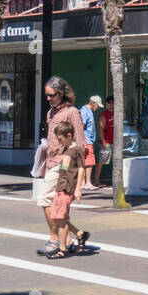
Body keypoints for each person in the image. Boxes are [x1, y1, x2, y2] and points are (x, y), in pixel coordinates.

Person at [36, 77, 89, 257]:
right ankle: (73, 236)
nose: (48, 99)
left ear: (61, 93)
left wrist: (74, 169)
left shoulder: (72, 112)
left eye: (51, 95)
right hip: (50, 163)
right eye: (47, 96)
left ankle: (54, 240)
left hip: (63, 165)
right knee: (57, 204)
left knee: (45, 199)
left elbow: (81, 143)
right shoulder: (51, 112)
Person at [46, 120, 85, 259]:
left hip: (68, 188)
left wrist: (78, 189)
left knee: (61, 218)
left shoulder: (77, 150)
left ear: (69, 135)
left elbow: (81, 169)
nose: (59, 141)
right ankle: (79, 233)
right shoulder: (66, 149)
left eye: (60, 139)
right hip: (60, 186)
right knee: (56, 216)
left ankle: (62, 249)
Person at [79, 95, 101, 190]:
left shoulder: (89, 111)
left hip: (88, 140)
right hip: (86, 140)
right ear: (93, 103)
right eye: (98, 105)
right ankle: (87, 182)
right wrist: (83, 141)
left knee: (85, 161)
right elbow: (81, 126)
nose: (98, 108)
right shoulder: (84, 111)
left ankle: (84, 182)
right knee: (89, 161)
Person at [94, 95, 114, 187]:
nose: (112, 104)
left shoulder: (117, 114)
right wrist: (104, 142)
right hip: (106, 142)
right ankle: (96, 180)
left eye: (113, 102)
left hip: (115, 142)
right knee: (102, 161)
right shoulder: (104, 115)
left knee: (116, 162)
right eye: (110, 102)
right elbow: (100, 129)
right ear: (106, 103)